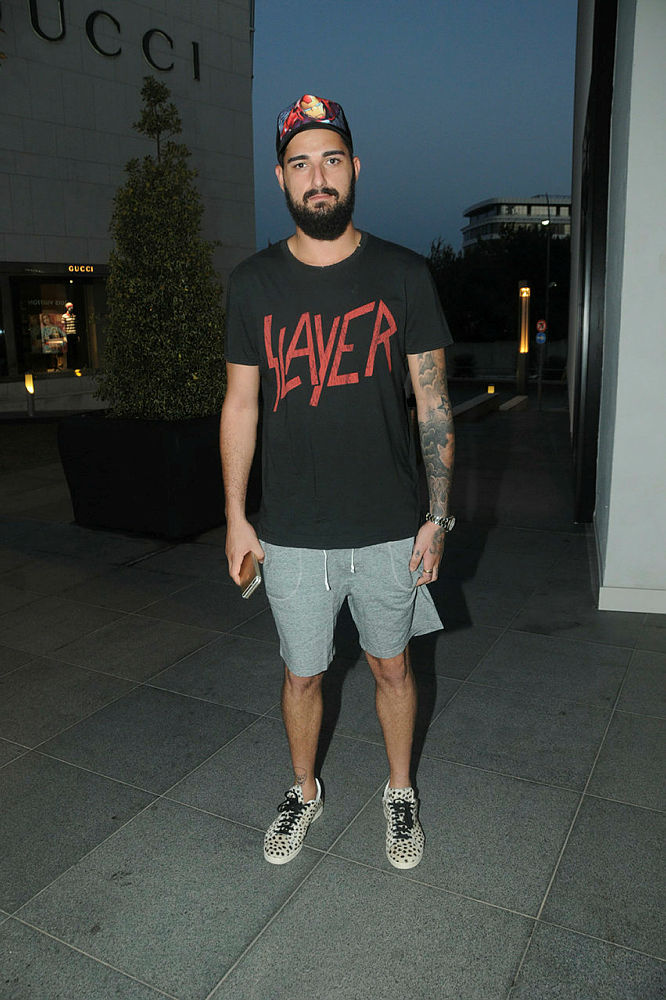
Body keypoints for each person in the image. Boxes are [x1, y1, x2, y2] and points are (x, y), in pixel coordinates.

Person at [220, 93, 454, 870]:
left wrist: (438, 517)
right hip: (291, 529)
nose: (316, 177)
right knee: (302, 675)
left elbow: (433, 403)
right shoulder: (253, 284)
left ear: (355, 168)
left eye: (330, 160)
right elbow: (241, 404)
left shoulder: (404, 275)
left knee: (393, 667)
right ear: (281, 179)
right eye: (300, 164)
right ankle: (304, 790)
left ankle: (399, 792)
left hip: (390, 525)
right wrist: (236, 515)